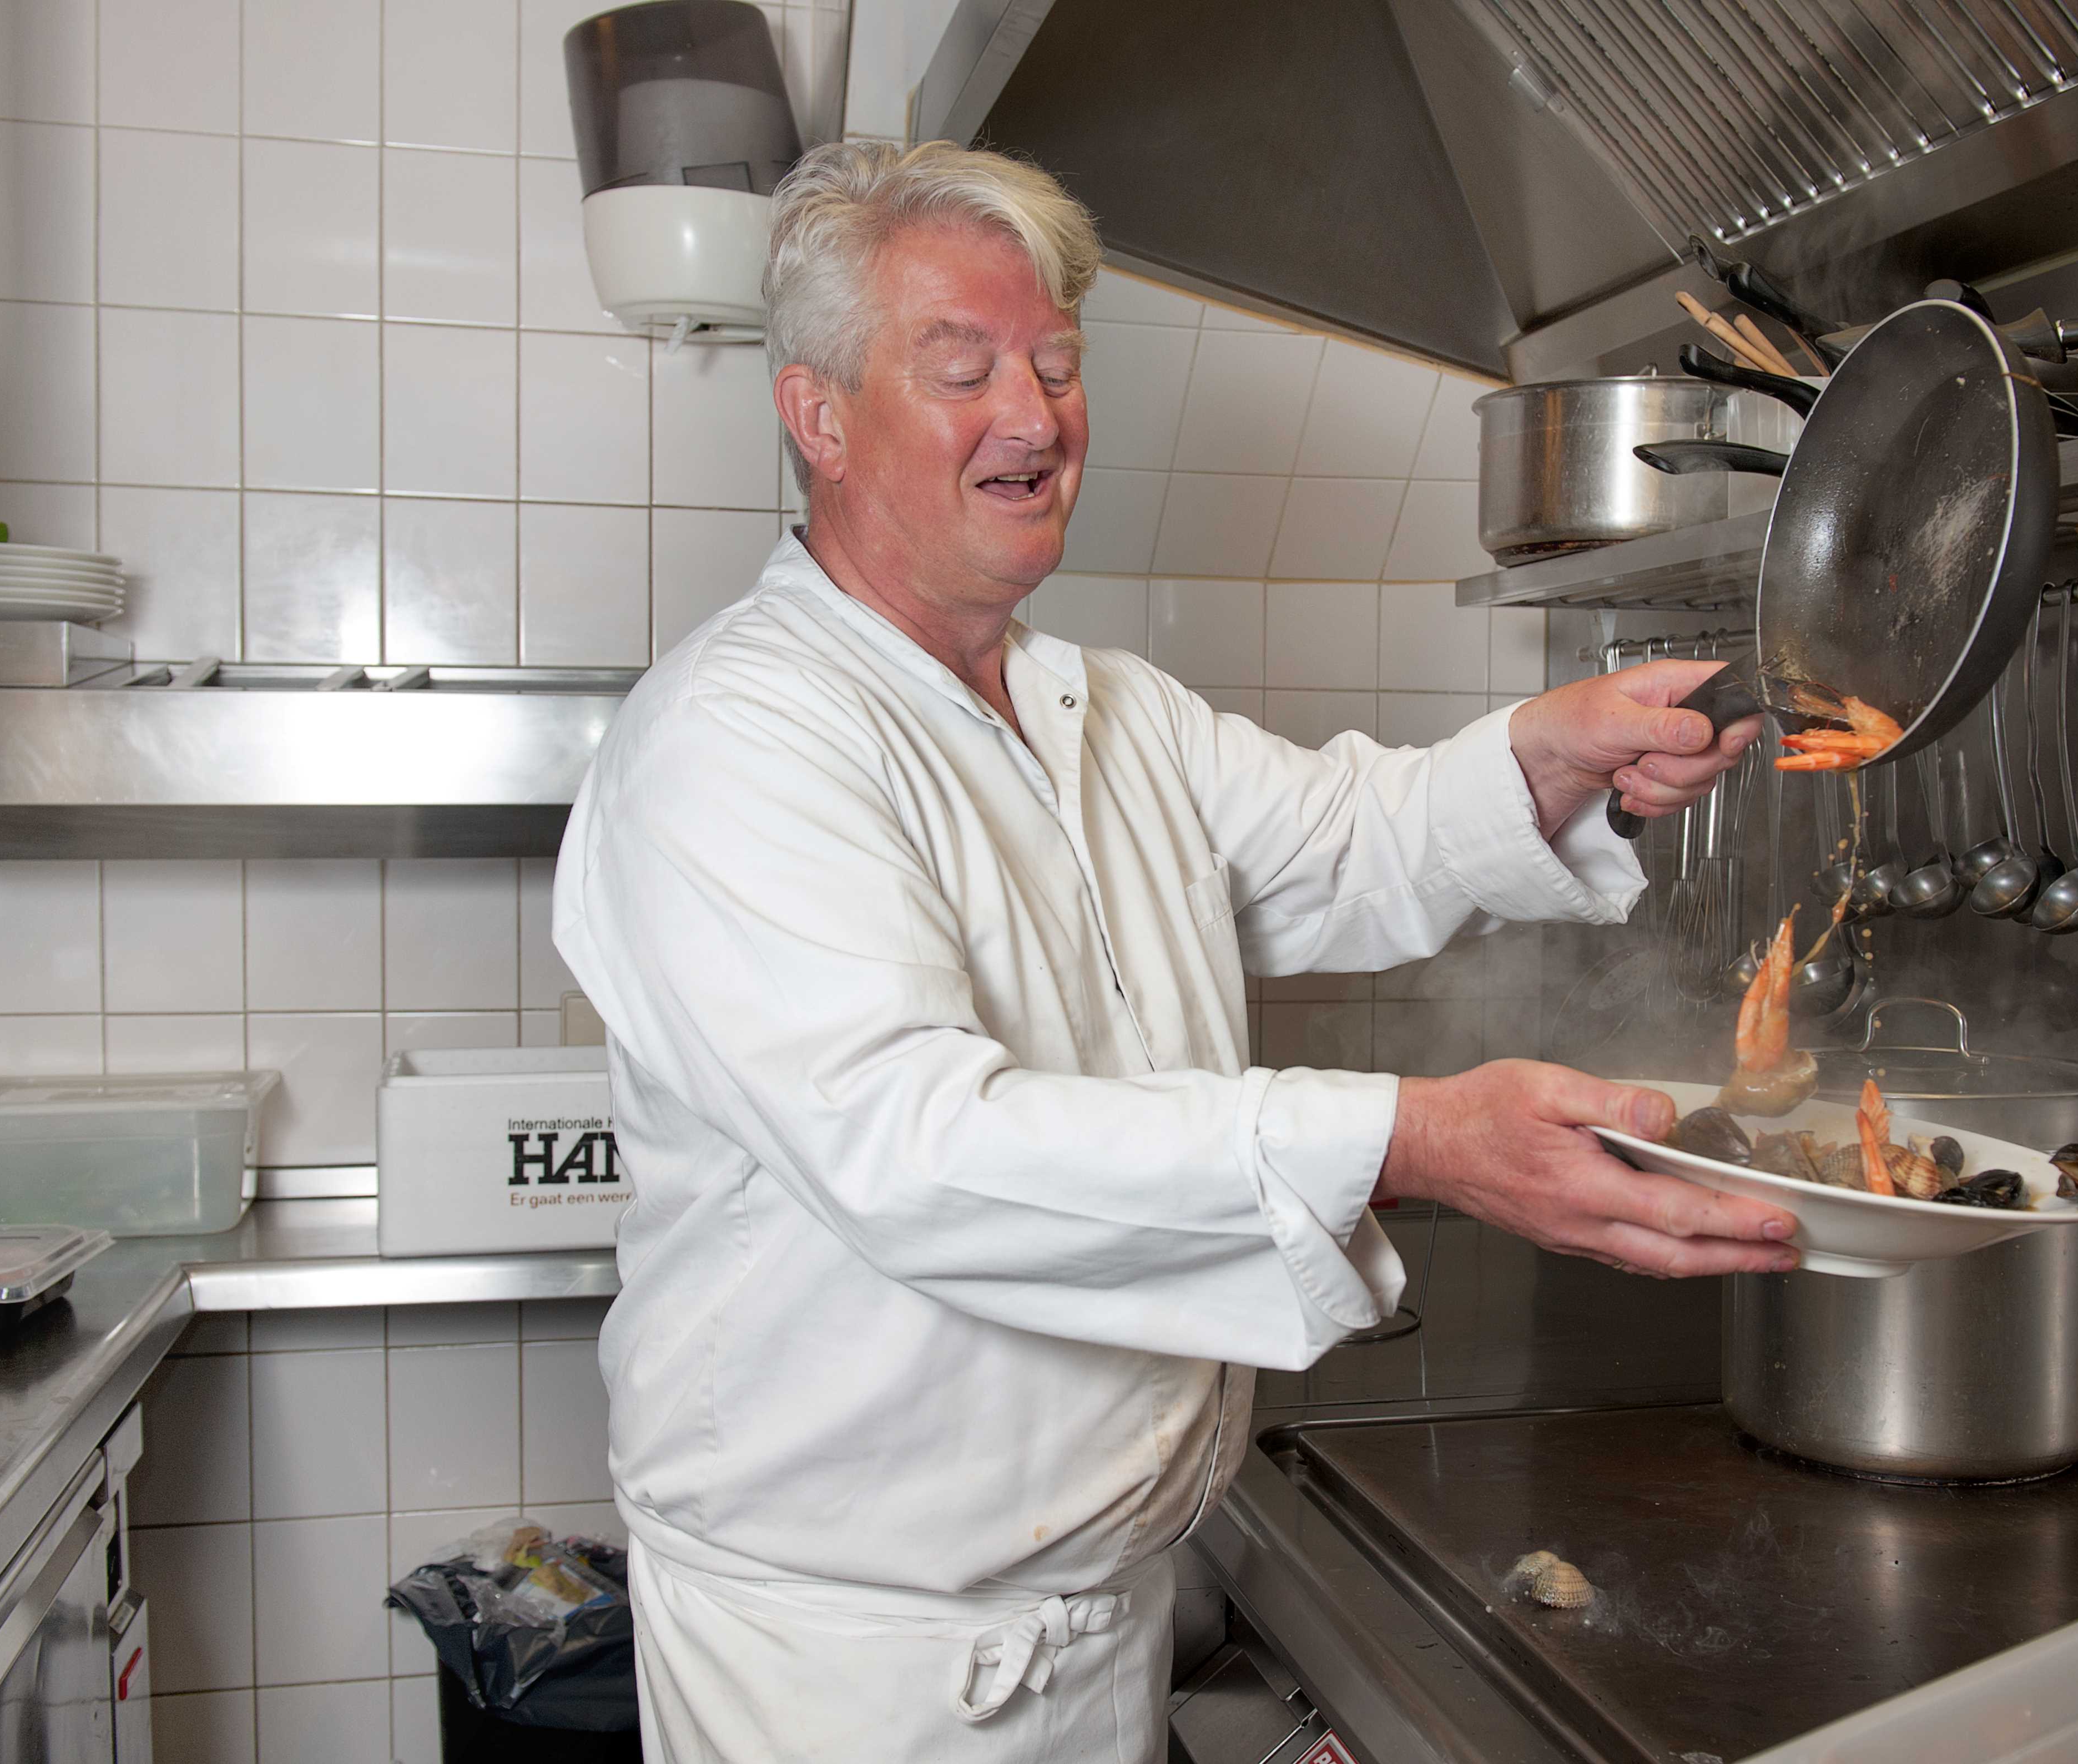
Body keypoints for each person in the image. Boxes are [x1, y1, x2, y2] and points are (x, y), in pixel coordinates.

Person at [551, 139, 1798, 1763]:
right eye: (963, 370)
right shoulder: (739, 738)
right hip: (857, 1669)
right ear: (819, 415)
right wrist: (1412, 1140)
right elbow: (918, 1150)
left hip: (1099, 1611)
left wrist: (1553, 754)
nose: (1032, 414)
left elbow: (1349, 843)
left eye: (1057, 365)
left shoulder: (1105, 709)